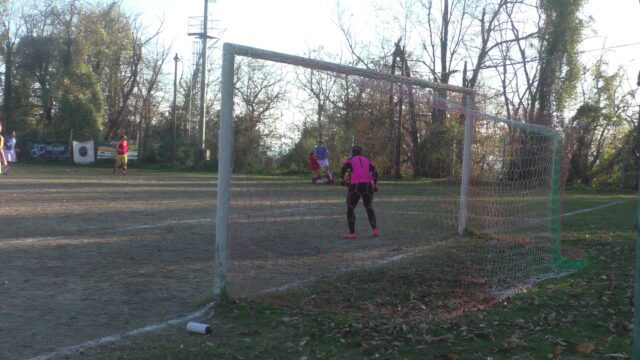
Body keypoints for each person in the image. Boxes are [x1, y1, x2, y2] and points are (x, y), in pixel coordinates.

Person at [339, 145, 379, 239]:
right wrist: (375, 184)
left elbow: (343, 169)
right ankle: (375, 230)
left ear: (353, 152)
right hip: (368, 185)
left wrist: (342, 180)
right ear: (361, 152)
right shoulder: (367, 160)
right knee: (369, 207)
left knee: (350, 207)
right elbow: (375, 171)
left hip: (355, 185)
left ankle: (352, 233)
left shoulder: (350, 160)